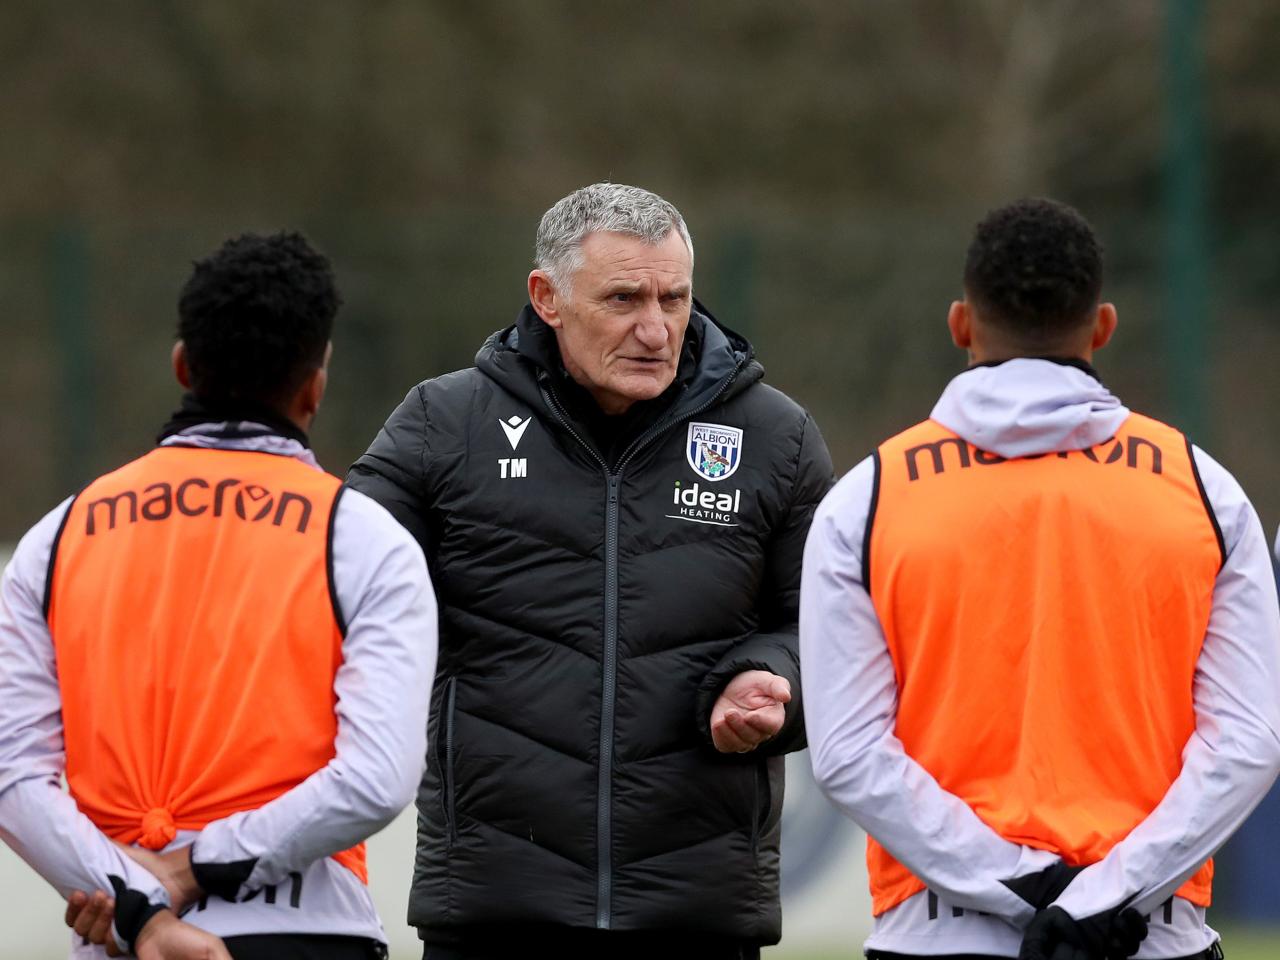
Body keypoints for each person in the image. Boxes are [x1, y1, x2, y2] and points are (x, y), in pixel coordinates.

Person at [348, 182, 834, 960]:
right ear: (547, 297)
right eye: (623, 298)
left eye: (674, 298)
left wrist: (774, 678)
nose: (656, 328)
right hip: (495, 908)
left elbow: (828, 630)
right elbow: (341, 591)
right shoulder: (444, 426)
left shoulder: (775, 438)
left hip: (698, 911)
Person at [799, 198, 1280, 960]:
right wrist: (1108, 892)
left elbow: (847, 751)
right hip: (1147, 935)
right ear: (1103, 327)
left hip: (938, 935)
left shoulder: (868, 498)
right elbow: (1249, 740)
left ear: (961, 324)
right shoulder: (1204, 490)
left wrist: (1023, 884)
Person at [0, 232, 437, 959]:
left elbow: (15, 776)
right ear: (315, 384)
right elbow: (376, 779)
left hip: (122, 940)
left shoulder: (58, 536)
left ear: (182, 365)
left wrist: (142, 906)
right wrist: (191, 870)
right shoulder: (364, 537)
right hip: (310, 932)